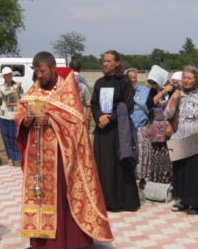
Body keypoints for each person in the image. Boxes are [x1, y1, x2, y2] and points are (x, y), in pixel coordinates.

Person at [15, 51, 113, 248]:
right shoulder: (32, 92)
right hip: (39, 161)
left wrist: (51, 119)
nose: (39, 75)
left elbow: (77, 122)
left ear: (52, 69)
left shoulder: (67, 91)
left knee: (64, 199)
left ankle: (69, 241)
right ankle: (43, 242)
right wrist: (27, 119)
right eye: (37, 72)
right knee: (41, 198)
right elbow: (19, 116)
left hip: (62, 160)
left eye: (43, 71)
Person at [91, 50, 141, 212]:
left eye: (109, 61)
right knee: (104, 166)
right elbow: (93, 104)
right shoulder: (99, 83)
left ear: (117, 63)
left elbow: (128, 106)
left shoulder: (124, 82)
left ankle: (123, 201)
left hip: (118, 130)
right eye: (104, 61)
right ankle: (105, 201)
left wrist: (110, 118)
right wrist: (99, 117)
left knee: (120, 165)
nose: (105, 64)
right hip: (102, 130)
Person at [167, 66, 198, 215]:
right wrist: (174, 99)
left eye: (190, 78)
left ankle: (196, 204)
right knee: (180, 172)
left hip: (196, 138)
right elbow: (168, 114)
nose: (186, 81)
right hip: (179, 136)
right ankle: (182, 201)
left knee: (194, 172)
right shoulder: (177, 94)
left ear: (196, 79)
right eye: (184, 77)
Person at [126, 68, 151, 189]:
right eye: (129, 77)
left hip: (142, 126)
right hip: (128, 127)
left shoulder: (145, 90)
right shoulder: (123, 92)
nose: (132, 79)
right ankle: (130, 177)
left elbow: (152, 105)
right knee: (129, 152)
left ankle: (142, 178)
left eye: (134, 77)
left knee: (142, 153)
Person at [0, 67, 23, 166]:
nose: (8, 76)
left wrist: (19, 87)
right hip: (4, 116)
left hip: (15, 115)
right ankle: (10, 157)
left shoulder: (18, 85)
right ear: (3, 77)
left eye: (9, 74)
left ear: (12, 75)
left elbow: (21, 94)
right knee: (6, 137)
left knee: (16, 137)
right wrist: (16, 87)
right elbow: (6, 93)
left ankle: (18, 157)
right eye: (6, 75)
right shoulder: (1, 87)